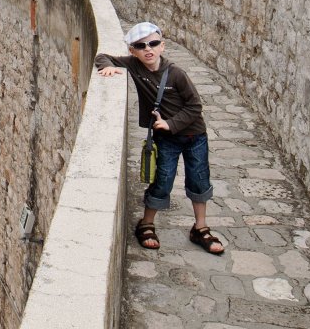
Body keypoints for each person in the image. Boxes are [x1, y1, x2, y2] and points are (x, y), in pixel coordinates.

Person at [95, 22, 224, 256]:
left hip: (194, 136)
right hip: (166, 139)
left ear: (162, 46)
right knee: (162, 179)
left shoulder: (176, 74)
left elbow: (195, 106)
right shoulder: (134, 65)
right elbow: (103, 56)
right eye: (141, 46)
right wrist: (108, 67)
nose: (148, 49)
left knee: (199, 179)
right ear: (132, 51)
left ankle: (201, 227)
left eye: (153, 43)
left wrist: (171, 123)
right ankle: (146, 224)